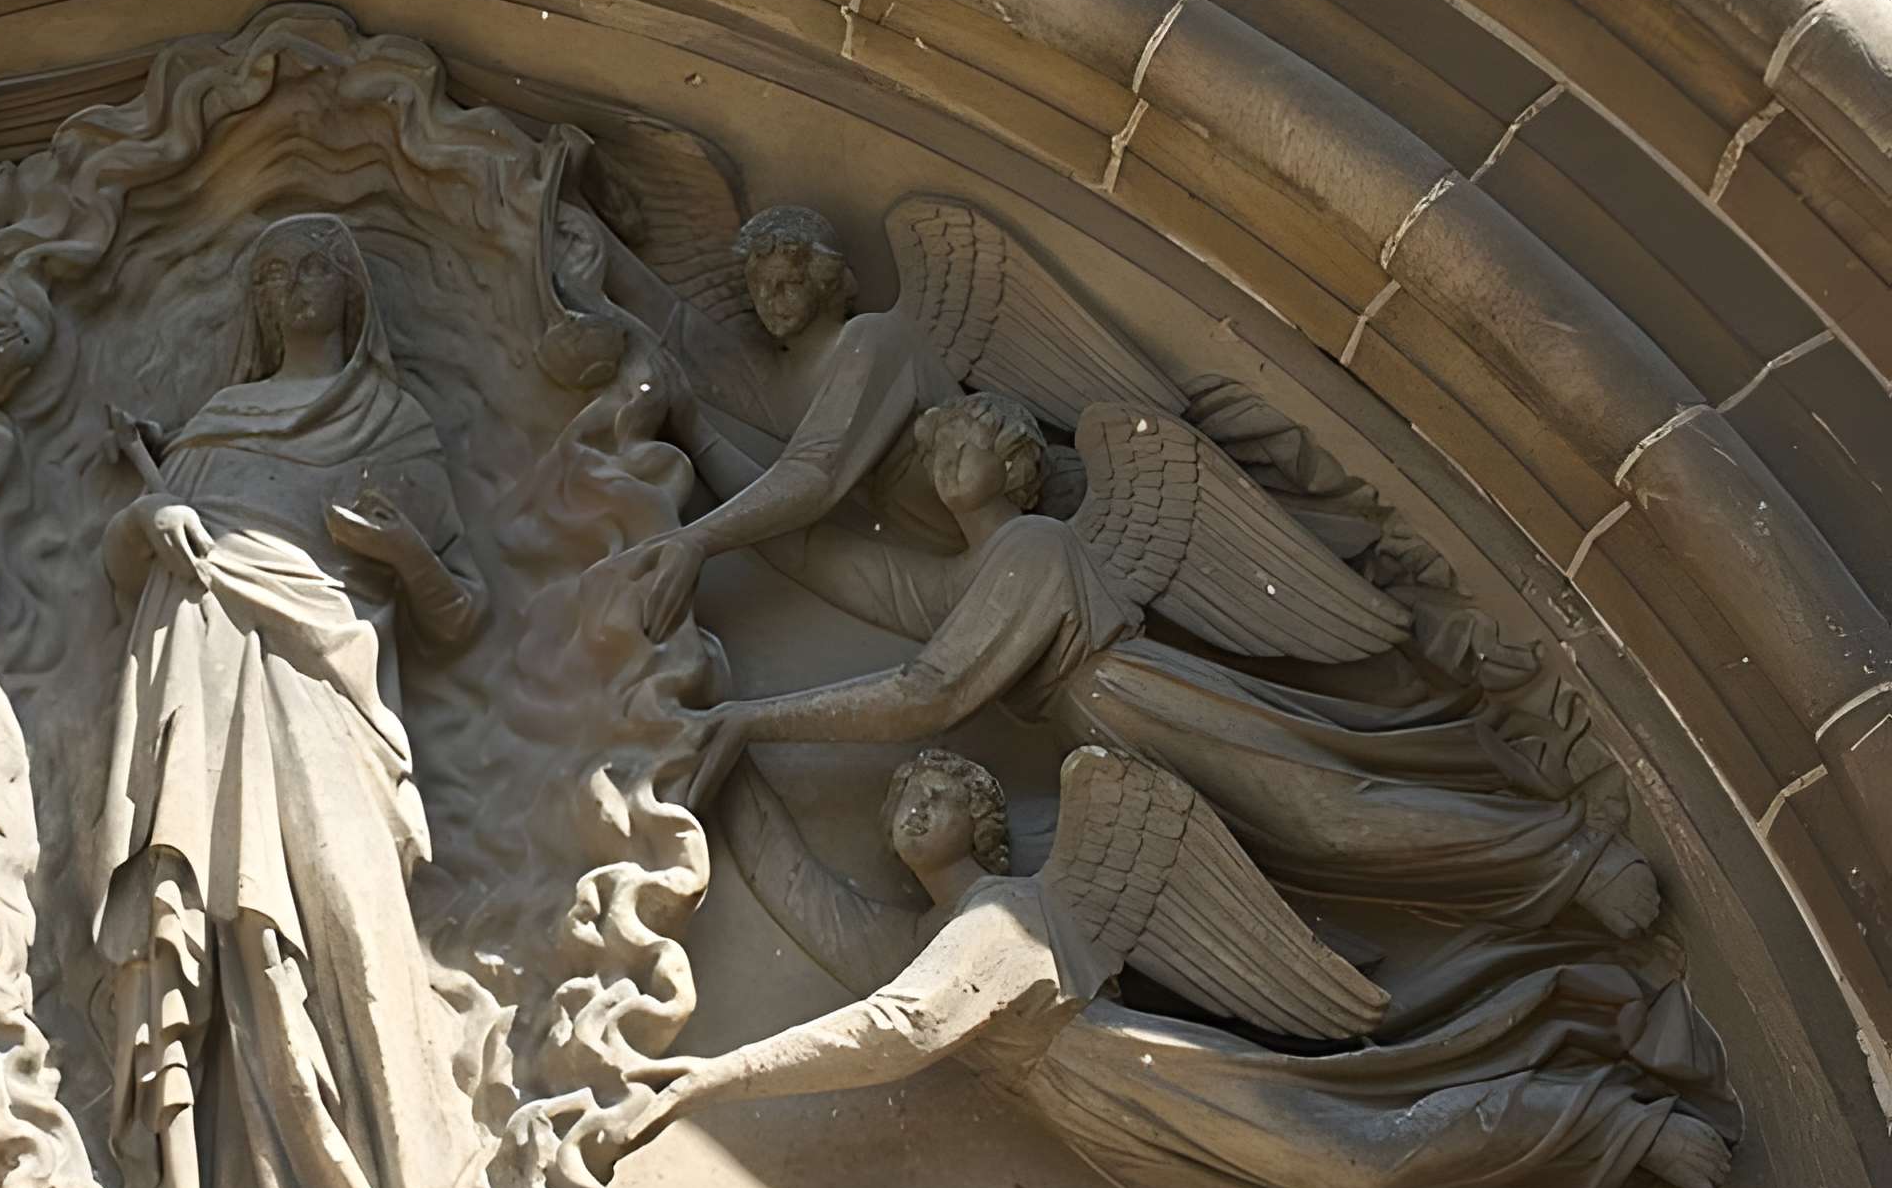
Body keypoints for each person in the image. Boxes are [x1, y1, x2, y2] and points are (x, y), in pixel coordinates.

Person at [622, 751, 1730, 1188]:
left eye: (937, 792)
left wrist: (710, 1075)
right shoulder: (919, 941)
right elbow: (807, 897)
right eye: (898, 798)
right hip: (1112, 1126)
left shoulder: (1003, 916)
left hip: (1149, 1077)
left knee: (1361, 1163)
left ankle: (1615, 1122)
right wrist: (717, 766)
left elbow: (898, 1031)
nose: (910, 807)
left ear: (986, 821)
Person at [691, 393, 1659, 934]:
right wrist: (688, 427)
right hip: (1115, 725)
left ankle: (1570, 854)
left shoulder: (1031, 548)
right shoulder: (964, 579)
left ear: (1019, 465)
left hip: (1141, 697)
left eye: (966, 443)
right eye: (937, 449)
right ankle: (1551, 857)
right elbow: (815, 553)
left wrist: (748, 716)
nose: (945, 461)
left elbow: (928, 693)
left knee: (1332, 818)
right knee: (1321, 832)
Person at [89, 213, 507, 1188]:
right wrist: (149, 522)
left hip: (330, 682)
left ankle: (418, 1184)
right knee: (234, 925)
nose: (297, 283)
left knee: (349, 905)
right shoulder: (214, 423)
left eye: (318, 263)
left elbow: (457, 610)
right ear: (257, 303)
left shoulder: (391, 419)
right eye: (273, 272)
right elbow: (126, 566)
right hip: (214, 678)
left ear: (353, 289)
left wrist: (401, 551)